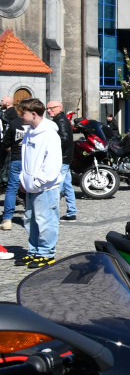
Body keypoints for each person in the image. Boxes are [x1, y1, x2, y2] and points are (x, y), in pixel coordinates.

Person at [16, 99, 63, 267]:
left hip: (45, 187)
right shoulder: (30, 132)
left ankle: (46, 252)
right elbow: (26, 159)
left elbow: (52, 162)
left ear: (33, 114)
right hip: (31, 185)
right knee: (30, 219)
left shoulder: (49, 134)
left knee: (46, 220)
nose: (21, 116)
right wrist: (24, 179)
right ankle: (34, 250)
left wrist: (38, 181)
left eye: (23, 113)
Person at [46, 101, 77, 223]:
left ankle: (52, 215)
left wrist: (52, 151)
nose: (49, 110)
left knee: (56, 187)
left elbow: (63, 139)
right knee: (67, 185)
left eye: (52, 108)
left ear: (60, 108)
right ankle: (71, 212)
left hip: (62, 158)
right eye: (47, 109)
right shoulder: (60, 119)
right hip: (66, 157)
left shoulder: (61, 120)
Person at [1, 106, 27, 231]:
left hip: (17, 158)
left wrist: (9, 148)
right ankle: (30, 214)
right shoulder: (36, 124)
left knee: (11, 189)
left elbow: (6, 143)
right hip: (29, 161)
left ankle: (7, 218)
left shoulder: (14, 123)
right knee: (30, 189)